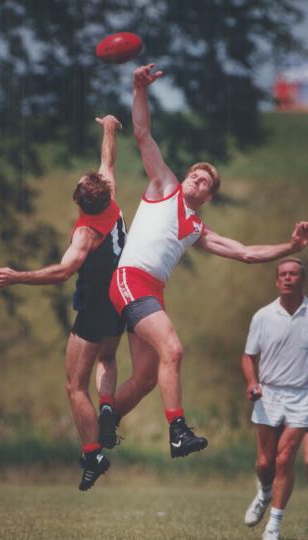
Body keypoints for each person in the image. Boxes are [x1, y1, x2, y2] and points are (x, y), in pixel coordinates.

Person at [109, 63, 308, 460]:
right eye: (194, 176)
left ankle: (102, 425)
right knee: (175, 350)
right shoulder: (164, 186)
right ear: (182, 179)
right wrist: (138, 88)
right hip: (129, 279)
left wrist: (291, 247)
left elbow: (246, 253)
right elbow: (143, 133)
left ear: (209, 196)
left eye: (205, 182)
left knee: (148, 376)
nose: (197, 181)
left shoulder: (197, 227)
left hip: (153, 291)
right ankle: (178, 430)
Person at [0, 115, 126, 491]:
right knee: (108, 358)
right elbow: (108, 161)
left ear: (79, 199)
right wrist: (109, 127)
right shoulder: (110, 200)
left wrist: (16, 276)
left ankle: (93, 455)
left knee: (75, 386)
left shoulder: (85, 232)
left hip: (95, 305)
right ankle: (109, 405)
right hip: (121, 298)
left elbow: (63, 272)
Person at [242, 257, 308, 540]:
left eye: (293, 274)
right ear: (276, 280)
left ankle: (274, 526)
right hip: (268, 394)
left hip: (302, 395)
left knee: (284, 459)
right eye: (283, 274)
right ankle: (264, 492)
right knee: (265, 463)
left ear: (302, 279)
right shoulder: (263, 316)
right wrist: (252, 382)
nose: (288, 278)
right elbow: (248, 356)